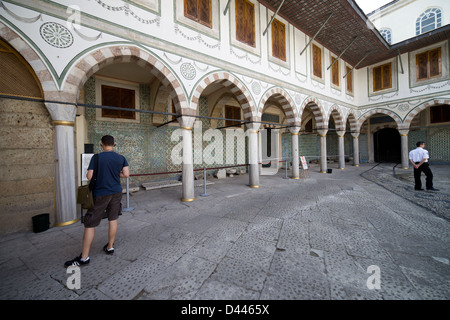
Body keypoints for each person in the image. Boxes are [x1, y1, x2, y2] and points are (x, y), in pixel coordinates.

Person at [65, 135, 129, 267]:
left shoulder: (97, 157)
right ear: (114, 144)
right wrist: (114, 174)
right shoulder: (121, 158)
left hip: (100, 193)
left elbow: (89, 176)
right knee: (113, 218)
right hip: (116, 192)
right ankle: (110, 246)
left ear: (101, 144)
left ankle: (84, 257)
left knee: (90, 223)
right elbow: (126, 174)